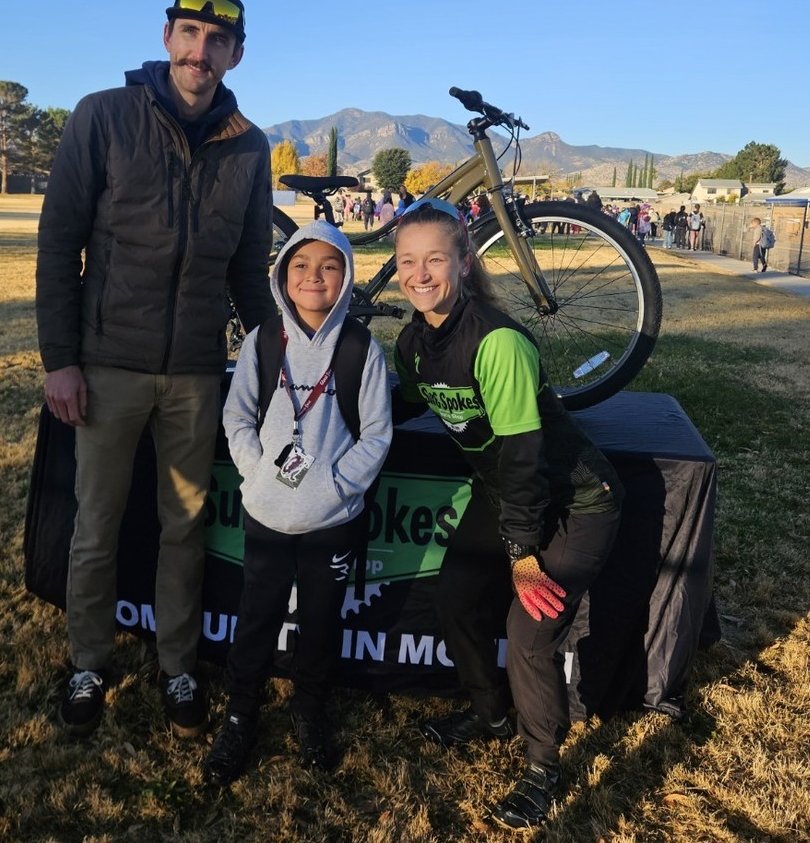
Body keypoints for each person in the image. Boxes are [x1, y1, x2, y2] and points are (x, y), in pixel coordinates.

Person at [36, 0, 275, 739]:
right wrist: (60, 360)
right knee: (96, 524)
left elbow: (247, 270)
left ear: (237, 54)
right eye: (190, 33)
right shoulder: (101, 116)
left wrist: (277, 361)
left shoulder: (250, 145)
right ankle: (87, 662)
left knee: (186, 526)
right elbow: (58, 244)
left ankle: (177, 669)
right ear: (167, 34)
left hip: (199, 374)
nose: (200, 52)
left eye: (218, 41)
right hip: (108, 363)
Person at [391, 199, 623, 833]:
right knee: (454, 598)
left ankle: (542, 767)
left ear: (464, 263)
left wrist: (522, 556)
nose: (419, 274)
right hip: (509, 500)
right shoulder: (412, 340)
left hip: (577, 503)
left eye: (434, 259)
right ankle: (489, 716)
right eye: (406, 261)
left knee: (529, 632)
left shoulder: (498, 342)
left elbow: (524, 458)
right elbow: (401, 403)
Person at [205, 222, 392, 783]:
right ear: (282, 275)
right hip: (267, 514)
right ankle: (241, 711)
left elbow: (378, 434)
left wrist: (337, 487)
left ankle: (309, 708)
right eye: (301, 265)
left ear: (347, 277)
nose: (314, 277)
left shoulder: (362, 349)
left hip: (332, 521)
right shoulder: (263, 340)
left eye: (329, 267)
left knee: (319, 621)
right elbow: (236, 415)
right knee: (256, 616)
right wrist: (259, 472)